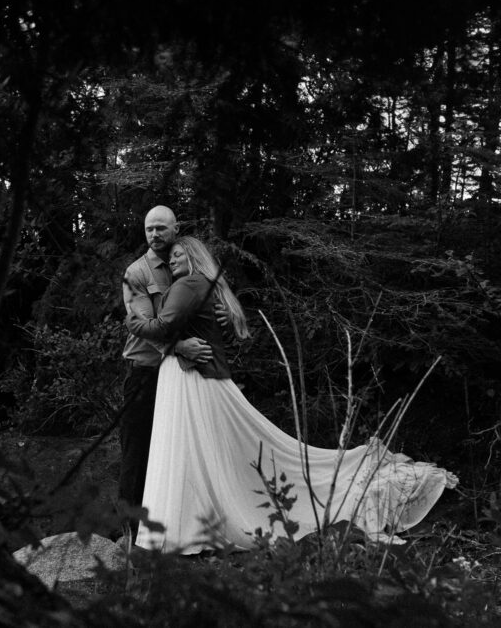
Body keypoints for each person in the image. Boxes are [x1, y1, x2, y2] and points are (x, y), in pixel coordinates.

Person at [126, 236, 457, 553]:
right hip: (196, 374)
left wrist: (132, 323)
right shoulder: (205, 286)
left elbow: (162, 328)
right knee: (202, 454)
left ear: (194, 257)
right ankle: (192, 528)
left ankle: (183, 532)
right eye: (170, 258)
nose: (172, 259)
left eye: (178, 255)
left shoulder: (187, 284)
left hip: (191, 377)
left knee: (188, 452)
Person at [118, 206, 214, 542]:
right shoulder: (137, 272)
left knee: (175, 454)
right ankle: (131, 536)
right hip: (145, 374)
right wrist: (179, 348)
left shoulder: (184, 266)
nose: (155, 234)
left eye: (161, 228)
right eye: (149, 229)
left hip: (183, 378)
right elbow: (143, 326)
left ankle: (173, 530)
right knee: (138, 453)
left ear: (176, 229)